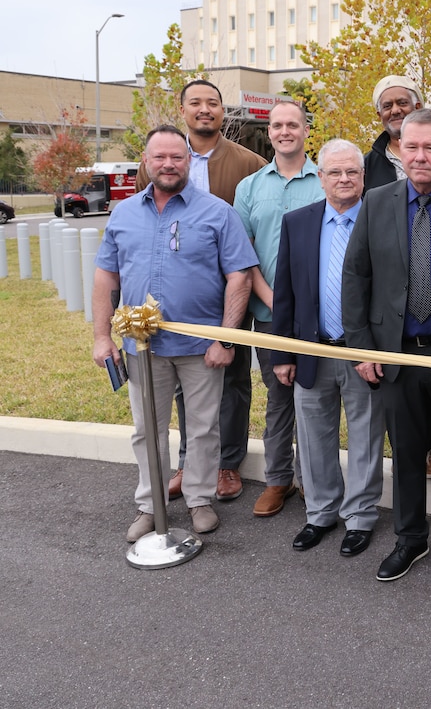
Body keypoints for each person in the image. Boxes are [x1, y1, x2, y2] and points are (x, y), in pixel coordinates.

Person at [92, 125, 258, 541]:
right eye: (160, 157)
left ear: (189, 161)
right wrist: (101, 336)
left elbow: (239, 278)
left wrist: (225, 338)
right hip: (142, 349)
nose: (168, 164)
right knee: (146, 428)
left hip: (202, 347)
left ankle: (199, 500)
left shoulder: (219, 212)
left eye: (177, 157)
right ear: (145, 161)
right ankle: (150, 506)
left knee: (203, 427)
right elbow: (105, 277)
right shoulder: (124, 213)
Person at [342, 108, 431, 582]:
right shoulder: (376, 202)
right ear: (399, 152)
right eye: (411, 147)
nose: (420, 156)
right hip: (396, 357)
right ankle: (411, 539)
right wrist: (363, 348)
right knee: (405, 453)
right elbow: (356, 275)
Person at [134, 79, 267, 504]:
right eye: (196, 103)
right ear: (183, 109)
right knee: (178, 379)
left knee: (230, 376)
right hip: (176, 291)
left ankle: (227, 463)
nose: (204, 109)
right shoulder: (163, 159)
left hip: (231, 286)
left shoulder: (248, 163)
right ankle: (190, 463)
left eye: (213, 102)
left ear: (223, 112)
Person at [269, 139, 386, 557]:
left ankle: (360, 517)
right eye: (334, 172)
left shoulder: (380, 220)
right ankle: (319, 514)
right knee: (314, 437)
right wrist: (283, 354)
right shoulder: (297, 222)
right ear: (320, 178)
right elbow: (285, 291)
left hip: (362, 354)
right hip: (312, 350)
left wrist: (374, 350)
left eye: (351, 172)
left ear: (363, 176)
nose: (343, 179)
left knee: (366, 437)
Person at [233, 100, 324, 517]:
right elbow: (242, 256)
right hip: (270, 314)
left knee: (313, 396)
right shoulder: (250, 188)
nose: (285, 131)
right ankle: (277, 479)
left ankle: (311, 481)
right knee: (278, 398)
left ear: (307, 130)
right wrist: (278, 302)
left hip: (319, 316)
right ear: (269, 132)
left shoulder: (324, 181)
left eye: (293, 124)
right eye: (277, 125)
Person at [363, 75, 431, 193]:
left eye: (402, 103)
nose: (395, 111)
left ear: (417, 107)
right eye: (387, 106)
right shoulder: (367, 166)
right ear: (379, 115)